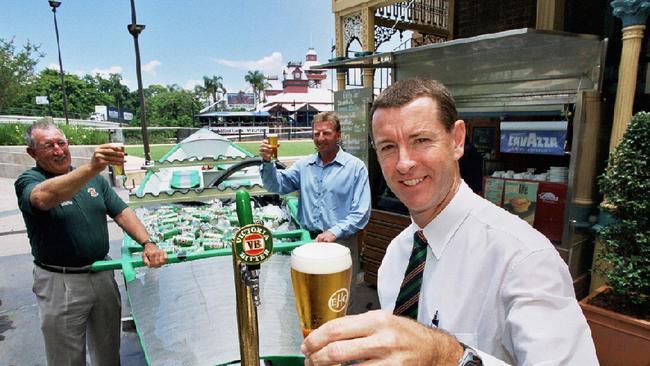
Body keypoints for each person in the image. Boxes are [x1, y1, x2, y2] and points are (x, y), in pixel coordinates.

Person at [301, 79, 598, 365]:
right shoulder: (397, 254)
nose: (404, 163)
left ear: (457, 140)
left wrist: (451, 358)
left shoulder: (524, 258)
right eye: (388, 147)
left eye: (421, 140)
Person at [14, 120, 168, 366]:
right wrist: (92, 167)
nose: (58, 150)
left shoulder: (94, 180)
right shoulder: (29, 180)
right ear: (32, 153)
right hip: (60, 281)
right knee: (66, 358)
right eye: (48, 145)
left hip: (102, 274)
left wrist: (147, 243)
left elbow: (121, 212)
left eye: (61, 143)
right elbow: (44, 198)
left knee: (108, 351)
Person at [259, 112, 371, 311]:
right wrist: (267, 163)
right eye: (316, 133)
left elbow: (361, 212)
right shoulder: (304, 165)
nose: (320, 138)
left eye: (326, 133)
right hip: (307, 243)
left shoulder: (355, 168)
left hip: (340, 243)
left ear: (338, 135)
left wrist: (333, 232)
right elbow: (275, 185)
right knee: (308, 301)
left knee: (339, 303)